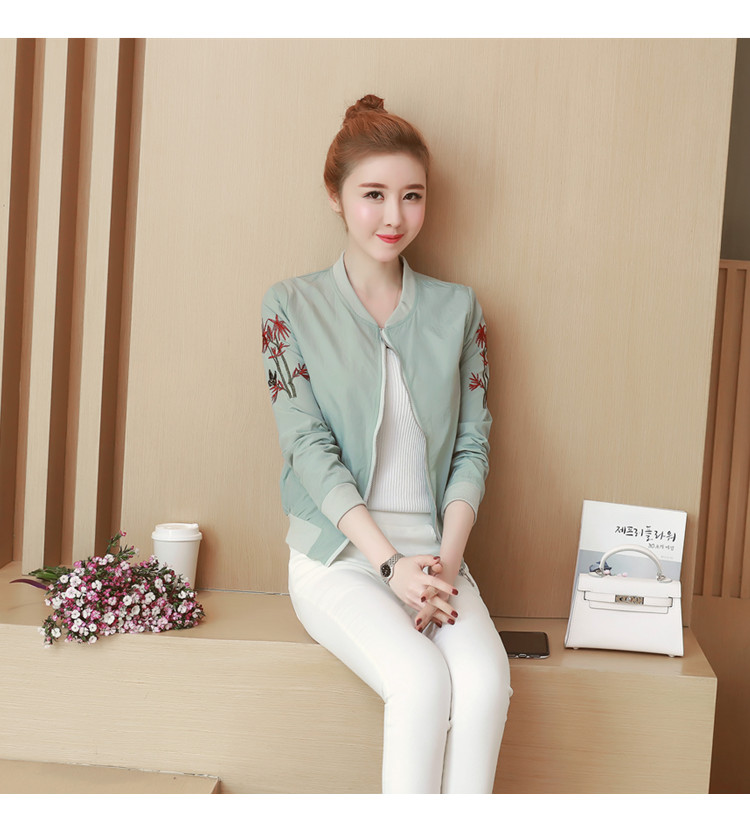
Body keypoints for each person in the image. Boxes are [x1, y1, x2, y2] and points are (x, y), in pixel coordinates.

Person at [261, 94, 511, 794]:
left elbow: (473, 446)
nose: (394, 215)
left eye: (411, 195)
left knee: (486, 683)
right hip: (340, 560)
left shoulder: (459, 310)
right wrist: (390, 566)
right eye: (373, 194)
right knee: (421, 681)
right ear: (335, 196)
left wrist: (442, 569)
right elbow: (307, 447)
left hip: (438, 556)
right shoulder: (290, 306)